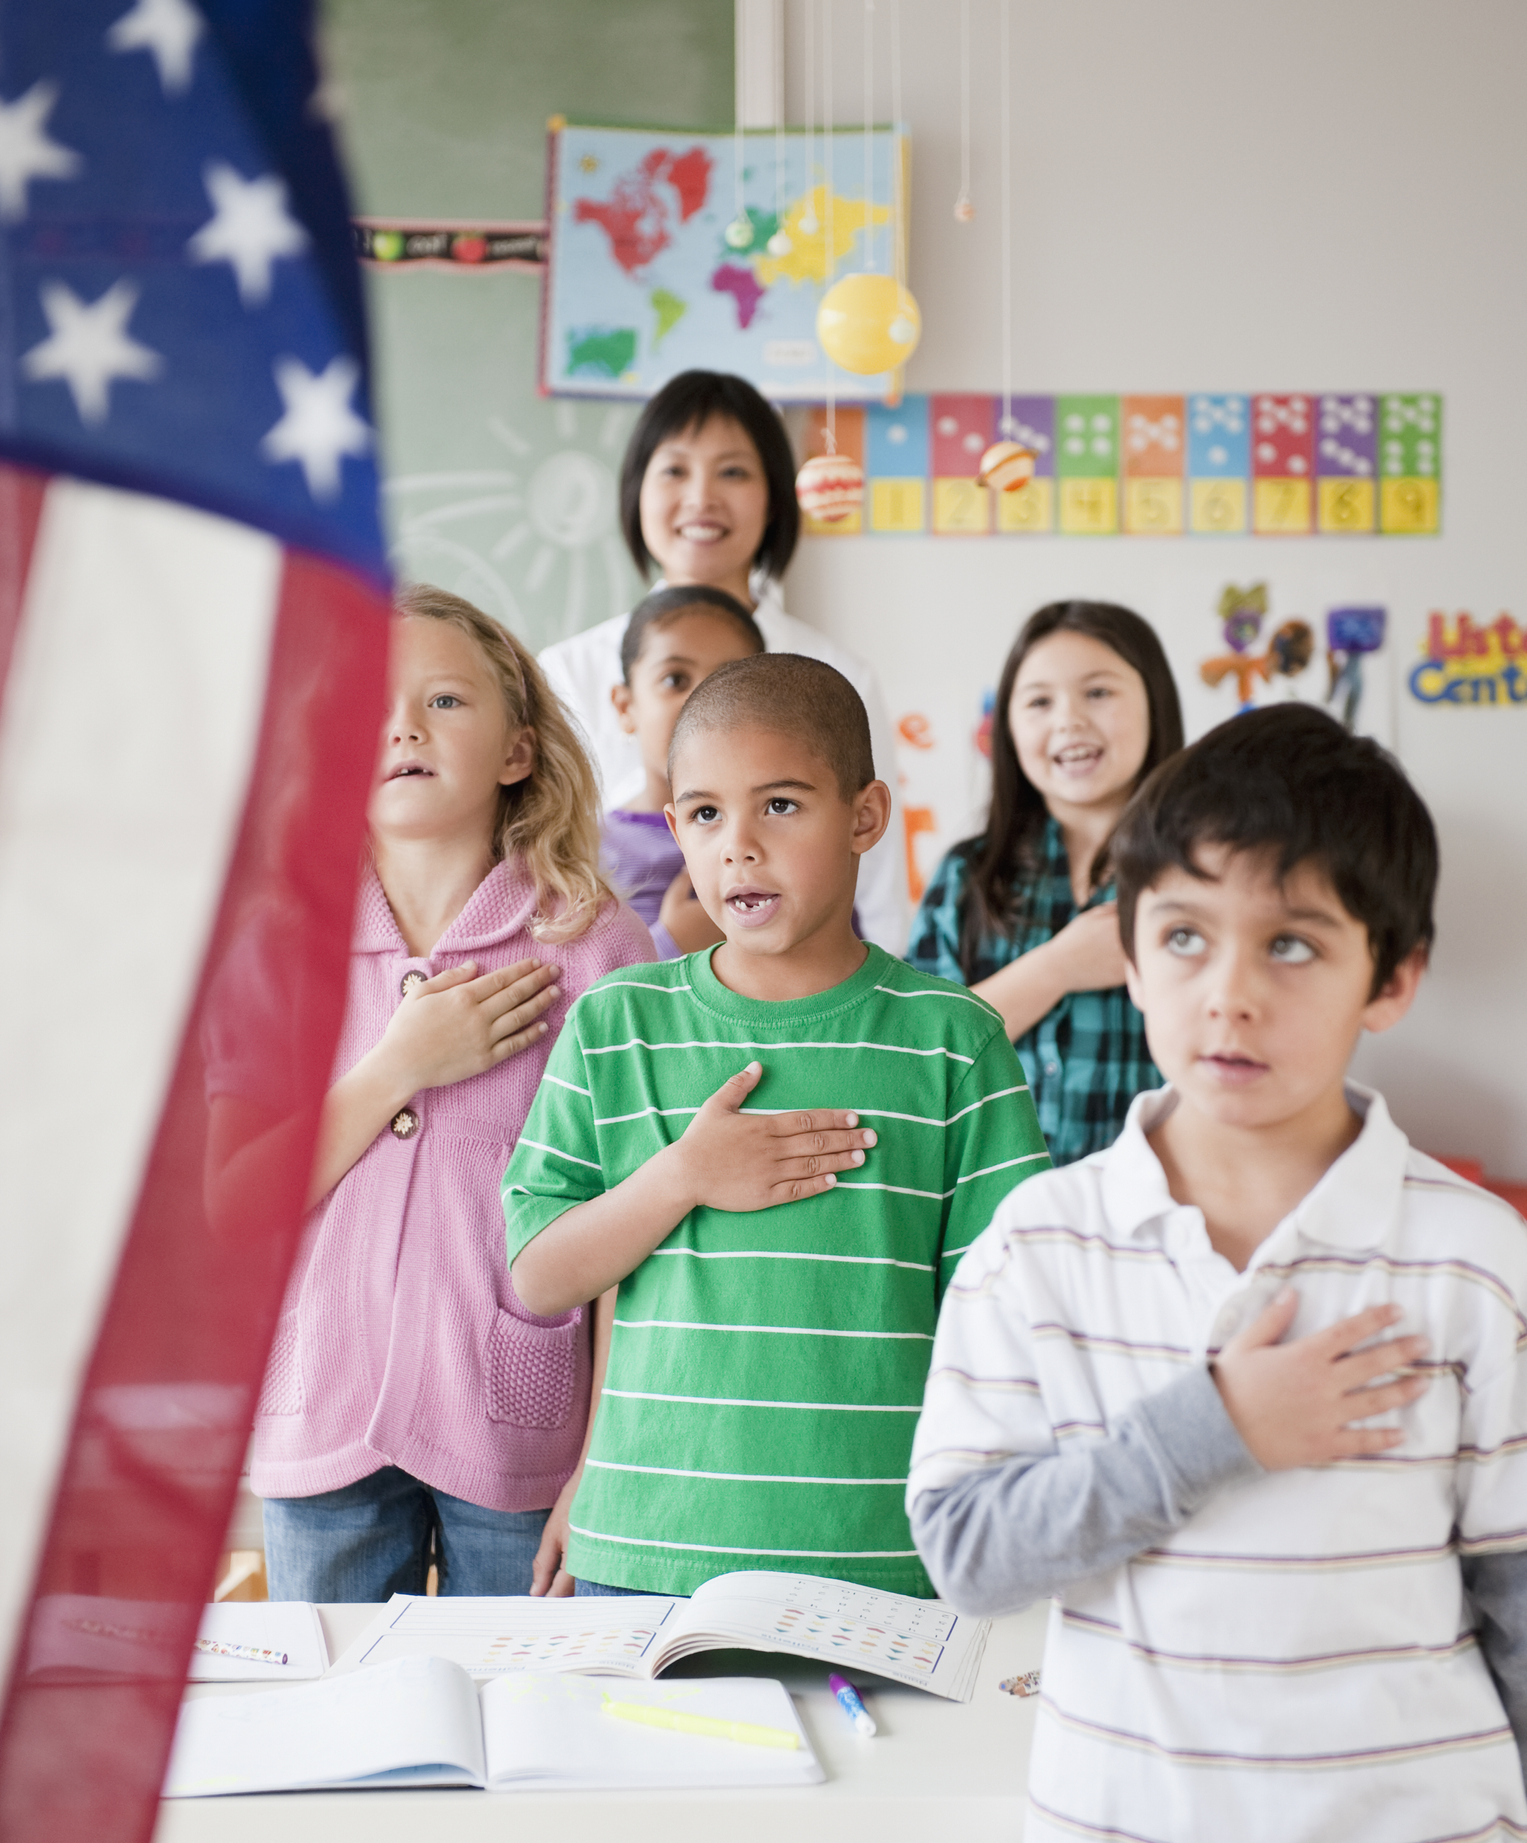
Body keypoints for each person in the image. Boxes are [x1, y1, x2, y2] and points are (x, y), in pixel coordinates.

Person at [907, 704, 1527, 1843]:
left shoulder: (1475, 1259)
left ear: (1392, 976)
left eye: (1293, 944)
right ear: (1129, 956)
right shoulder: (1040, 1245)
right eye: (1184, 937)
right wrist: (1218, 1428)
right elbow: (968, 1555)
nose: (1229, 993)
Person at [503, 654, 1049, 1599]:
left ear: (865, 817)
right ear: (674, 828)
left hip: (882, 1559)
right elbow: (540, 1274)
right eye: (706, 814)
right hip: (643, 1552)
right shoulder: (615, 1021)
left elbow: (1004, 1327)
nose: (738, 847)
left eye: (782, 805)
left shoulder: (954, 1041)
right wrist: (682, 1175)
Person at [211, 585, 654, 1601]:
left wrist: (603, 1464)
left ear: (519, 750)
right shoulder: (274, 950)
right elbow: (236, 1208)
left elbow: (634, 1236)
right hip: (320, 1427)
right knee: (337, 1742)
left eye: (446, 700)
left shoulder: (595, 950)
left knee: (536, 1728)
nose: (403, 724)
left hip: (524, 1440)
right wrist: (397, 1064)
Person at [538, 368, 908, 952]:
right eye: (675, 470)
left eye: (733, 471)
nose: (702, 497)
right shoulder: (564, 672)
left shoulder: (837, 671)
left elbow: (881, 892)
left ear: (773, 498)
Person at [908, 600, 1183, 1164]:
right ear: (1007, 726)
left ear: (1155, 702)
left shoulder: (1199, 873)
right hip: (991, 1216)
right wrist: (1058, 968)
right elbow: (912, 1056)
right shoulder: (968, 876)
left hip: (1156, 1213)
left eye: (1098, 693)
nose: (1069, 720)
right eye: (1039, 701)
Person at [601, 582, 764, 960]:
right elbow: (572, 1004)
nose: (702, 701)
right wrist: (671, 945)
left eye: (729, 681)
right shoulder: (580, 853)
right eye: (675, 679)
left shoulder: (791, 832)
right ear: (625, 707)